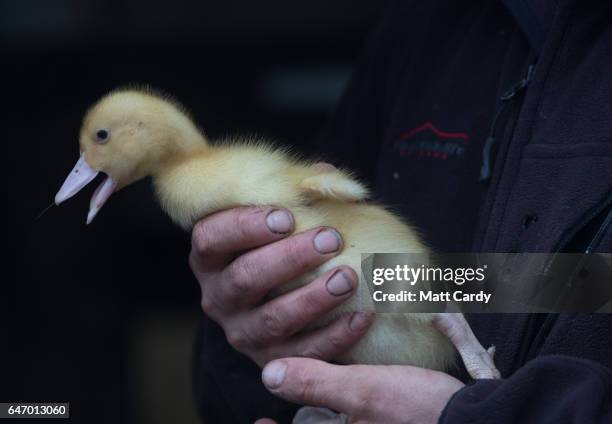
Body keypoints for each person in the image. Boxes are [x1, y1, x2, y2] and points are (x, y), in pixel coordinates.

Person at [191, 1, 612, 422]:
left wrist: (476, 416)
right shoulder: (427, 25)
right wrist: (246, 329)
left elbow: (576, 286)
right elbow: (560, 284)